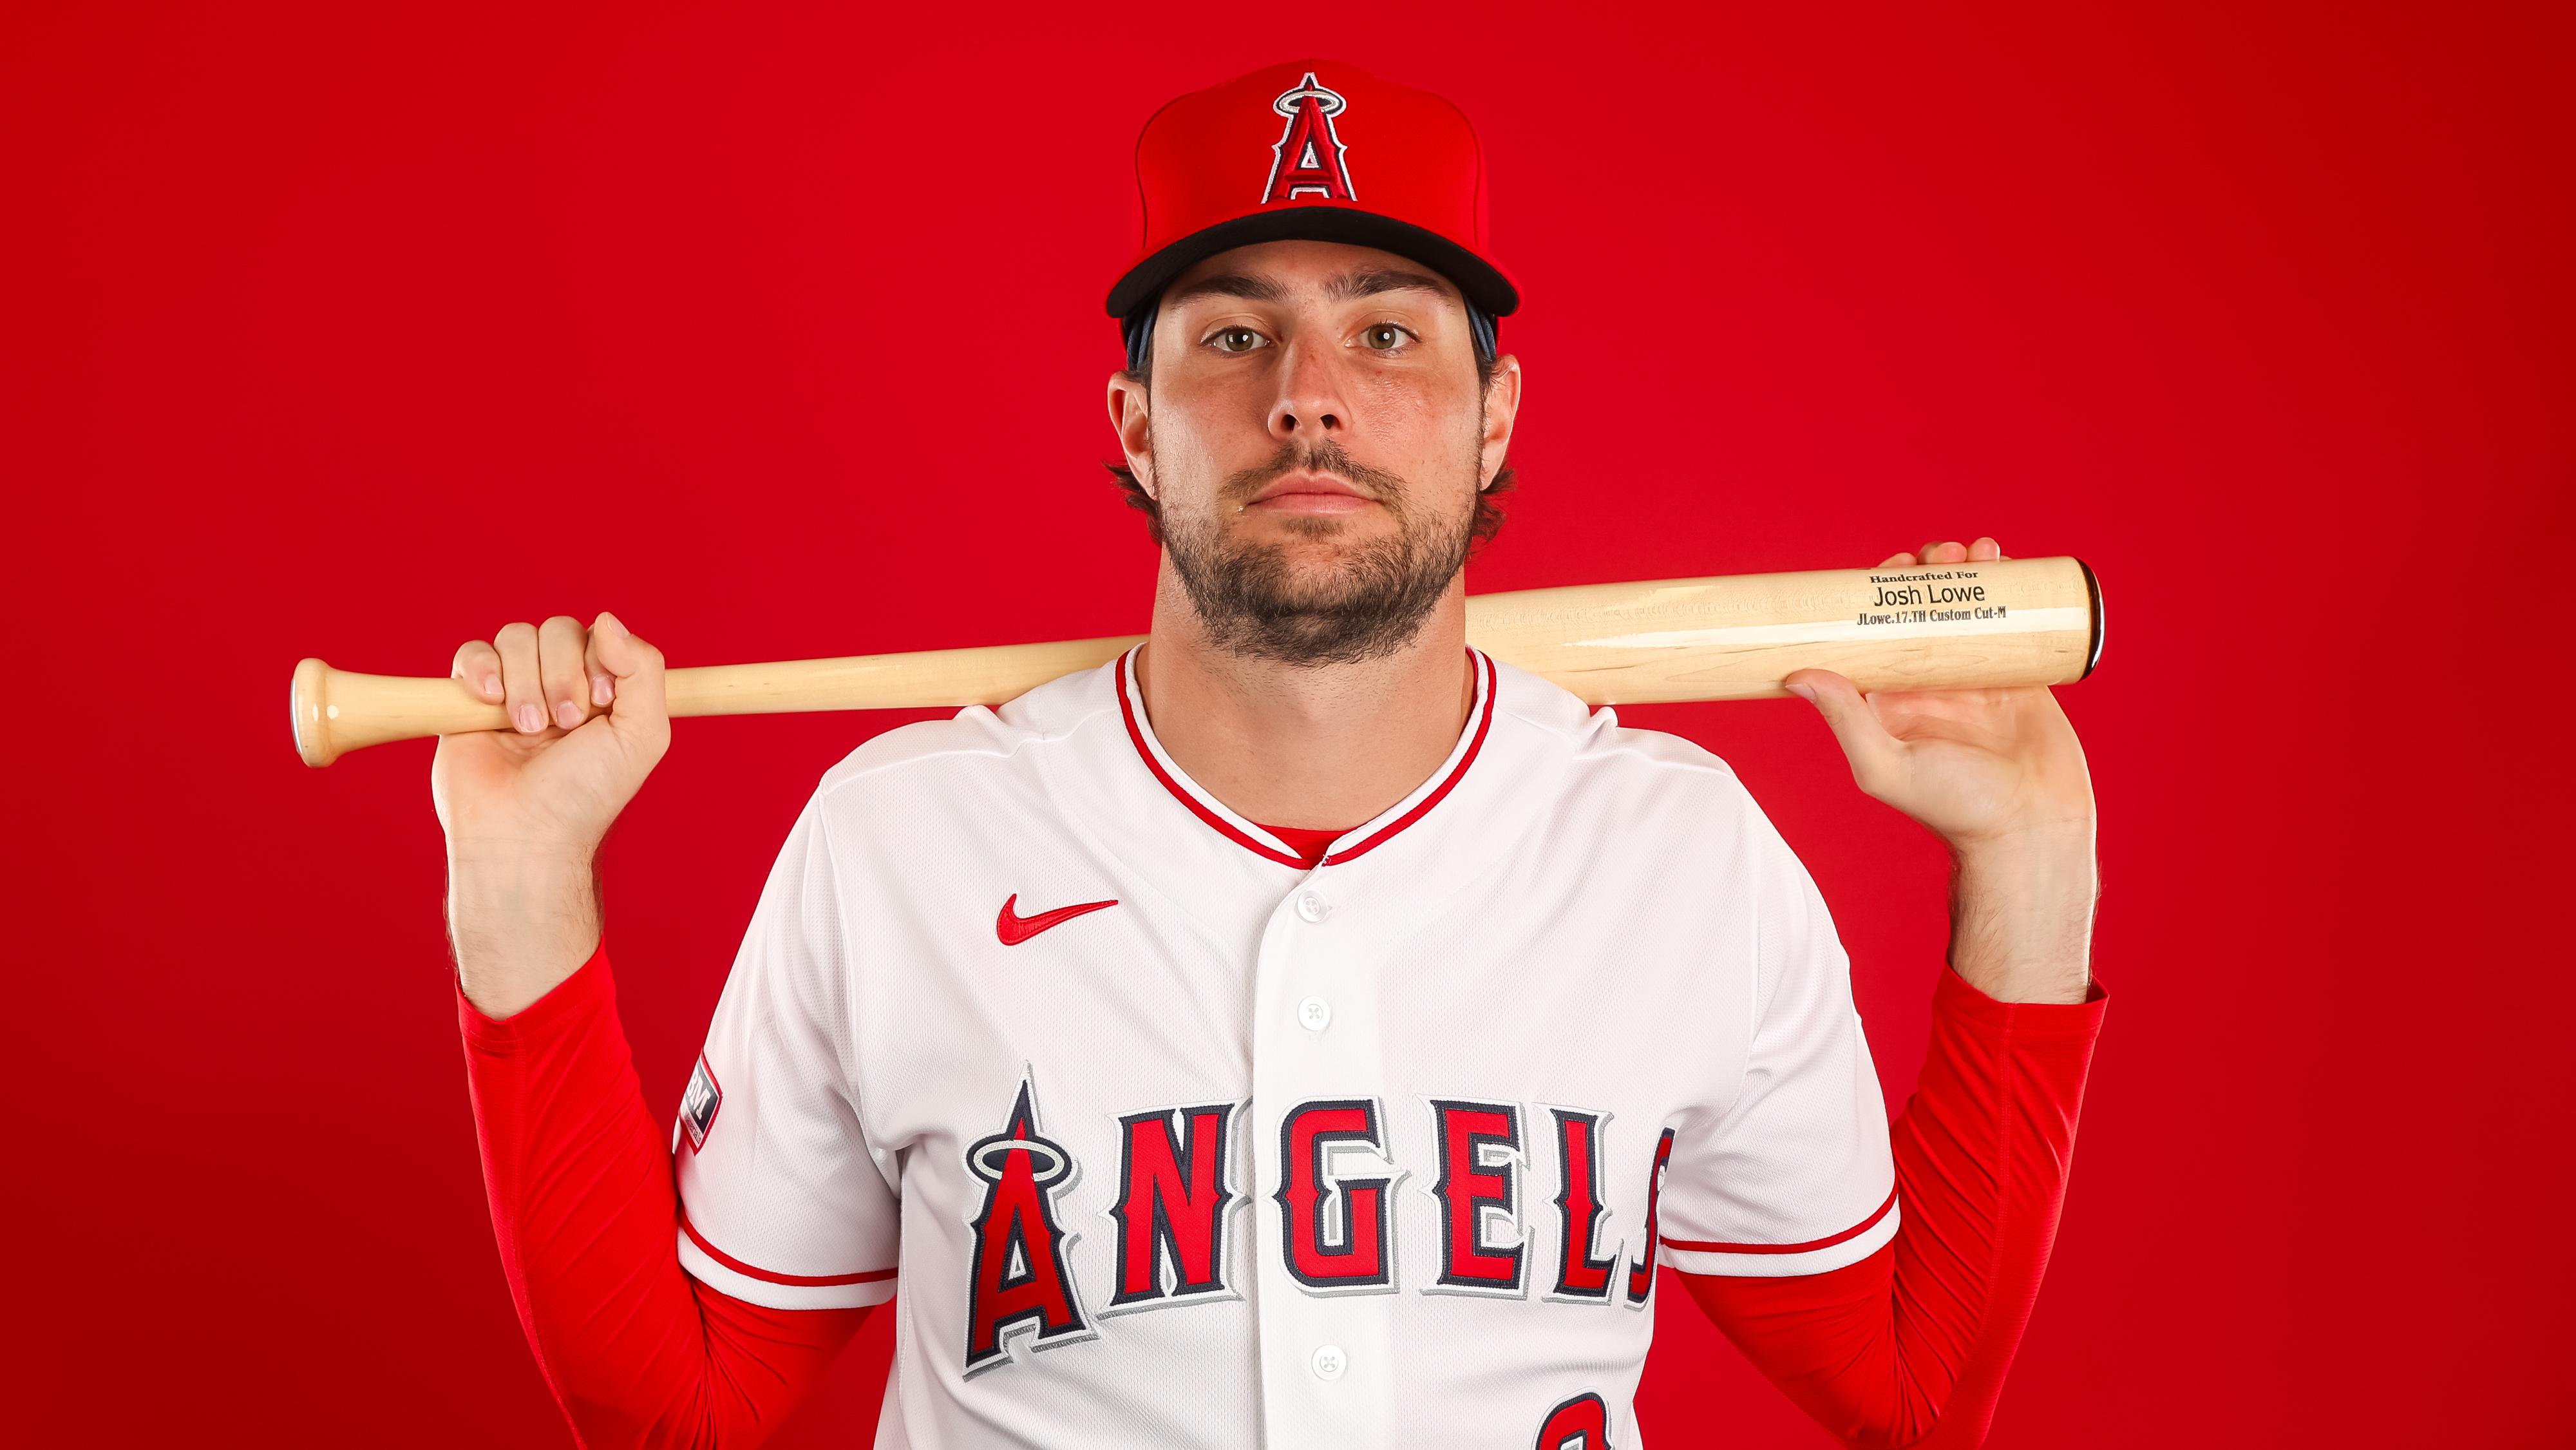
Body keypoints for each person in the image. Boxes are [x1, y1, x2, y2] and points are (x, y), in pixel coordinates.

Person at [437, 59, 2106, 1449]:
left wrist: (2030, 858)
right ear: (1135, 425)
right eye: (1233, 337)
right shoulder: (903, 840)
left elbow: (1912, 1393)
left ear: (1496, 417)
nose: (1310, 396)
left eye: (1388, 335)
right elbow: (680, 1418)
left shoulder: (1682, 855)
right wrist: (519, 892)